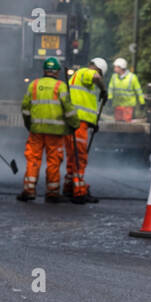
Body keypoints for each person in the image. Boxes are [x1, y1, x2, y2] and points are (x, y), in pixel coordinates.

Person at [19, 57, 79, 203]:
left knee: (33, 158)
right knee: (53, 161)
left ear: (44, 70)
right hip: (56, 132)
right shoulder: (61, 86)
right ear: (57, 72)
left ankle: (29, 190)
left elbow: (25, 108)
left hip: (36, 130)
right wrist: (74, 124)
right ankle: (52, 192)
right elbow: (69, 110)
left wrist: (28, 125)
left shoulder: (34, 85)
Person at [64, 57, 109, 203]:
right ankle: (79, 191)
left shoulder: (79, 78)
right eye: (101, 75)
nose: (99, 78)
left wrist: (92, 123)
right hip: (78, 124)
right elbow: (94, 76)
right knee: (79, 158)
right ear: (98, 69)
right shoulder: (86, 72)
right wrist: (104, 89)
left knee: (73, 158)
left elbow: (83, 104)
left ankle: (69, 187)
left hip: (75, 123)